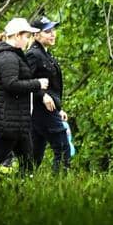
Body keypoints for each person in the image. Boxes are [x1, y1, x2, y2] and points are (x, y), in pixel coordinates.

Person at [0, 18, 48, 174]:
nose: (28, 40)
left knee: (28, 165)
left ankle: (22, 195)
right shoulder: (7, 57)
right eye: (27, 36)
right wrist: (37, 84)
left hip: (17, 122)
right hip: (5, 123)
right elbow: (11, 84)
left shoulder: (14, 56)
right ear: (17, 35)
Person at [25, 15, 71, 172]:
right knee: (64, 148)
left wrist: (60, 109)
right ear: (36, 35)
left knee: (34, 156)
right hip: (41, 110)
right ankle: (60, 186)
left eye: (53, 30)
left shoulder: (47, 54)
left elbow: (54, 86)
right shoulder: (33, 54)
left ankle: (22, 184)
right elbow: (25, 81)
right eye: (47, 31)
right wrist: (43, 95)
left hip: (49, 110)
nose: (52, 34)